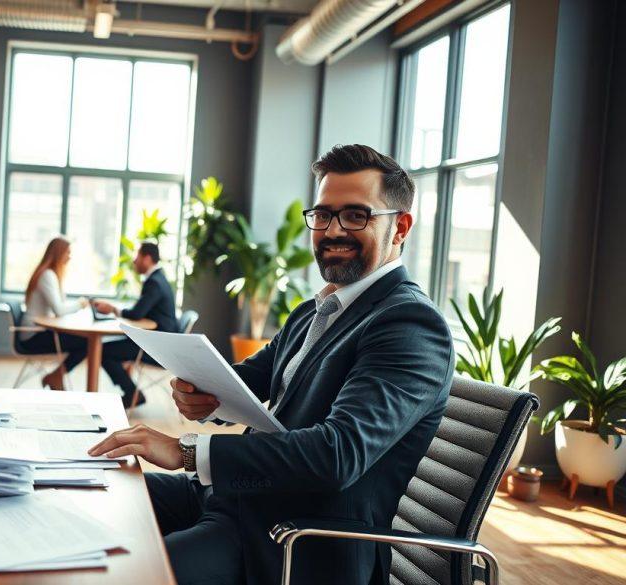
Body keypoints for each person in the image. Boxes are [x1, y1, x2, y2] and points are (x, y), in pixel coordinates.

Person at [89, 144, 455, 585]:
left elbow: (336, 454)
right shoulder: (315, 311)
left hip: (295, 540)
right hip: (236, 499)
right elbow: (243, 384)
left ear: (400, 227)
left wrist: (186, 450)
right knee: (98, 496)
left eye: (356, 215)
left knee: (125, 575)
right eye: (322, 215)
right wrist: (198, 394)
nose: (332, 230)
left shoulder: (410, 324)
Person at [55, 242, 177, 406]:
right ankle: (132, 393)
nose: (134, 261)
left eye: (137, 256)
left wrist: (112, 309)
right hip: (155, 340)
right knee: (105, 348)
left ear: (147, 258)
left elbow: (137, 313)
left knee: (103, 351)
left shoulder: (154, 282)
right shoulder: (158, 279)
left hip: (157, 346)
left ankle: (132, 394)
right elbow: (141, 312)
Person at [23, 237, 88, 387]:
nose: (69, 257)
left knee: (85, 342)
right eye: (67, 252)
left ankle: (56, 376)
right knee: (87, 343)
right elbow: (59, 310)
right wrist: (80, 304)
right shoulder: (47, 275)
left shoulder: (50, 274)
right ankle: (56, 377)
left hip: (38, 331)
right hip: (32, 336)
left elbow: (59, 307)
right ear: (59, 253)